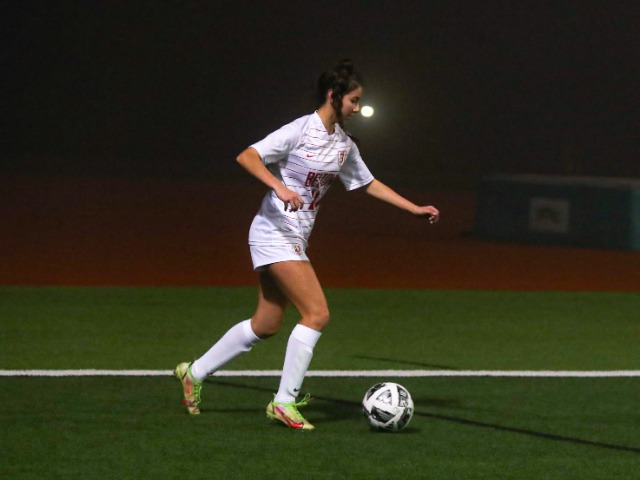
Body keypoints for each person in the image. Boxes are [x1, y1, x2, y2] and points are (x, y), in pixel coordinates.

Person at [175, 59, 439, 430]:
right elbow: (247, 156)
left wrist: (413, 208)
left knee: (266, 323)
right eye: (354, 100)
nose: (357, 108)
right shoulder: (300, 130)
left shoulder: (343, 144)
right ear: (333, 96)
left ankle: (194, 372)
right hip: (273, 231)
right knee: (317, 313)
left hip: (294, 237)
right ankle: (283, 402)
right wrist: (279, 187)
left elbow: (367, 183)